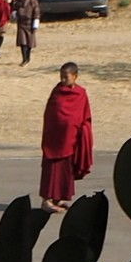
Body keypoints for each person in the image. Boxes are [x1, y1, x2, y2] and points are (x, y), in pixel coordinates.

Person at [40, 62, 94, 210]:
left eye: (66, 77)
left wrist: (83, 129)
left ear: (75, 77)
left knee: (65, 170)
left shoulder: (81, 93)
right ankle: (46, 200)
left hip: (71, 138)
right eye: (61, 77)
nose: (63, 80)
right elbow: (52, 114)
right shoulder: (57, 92)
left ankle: (58, 199)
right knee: (51, 168)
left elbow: (85, 115)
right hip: (55, 138)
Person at [13, 0, 40, 65]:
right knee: (22, 42)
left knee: (29, 43)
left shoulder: (33, 1)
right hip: (21, 24)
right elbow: (14, 9)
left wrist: (35, 24)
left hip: (30, 24)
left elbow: (36, 14)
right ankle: (24, 59)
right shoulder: (18, 1)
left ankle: (28, 57)